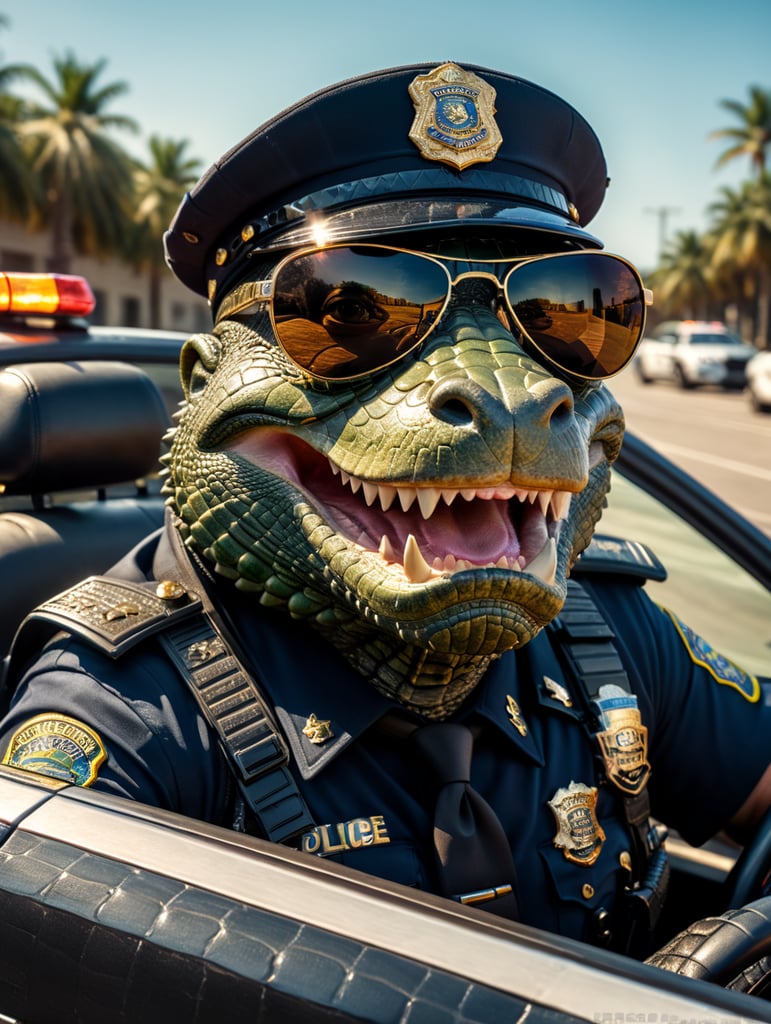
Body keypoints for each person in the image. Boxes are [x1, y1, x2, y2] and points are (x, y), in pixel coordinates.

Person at [1, 61, 768, 956]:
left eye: (566, 313)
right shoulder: (125, 712)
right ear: (208, 382)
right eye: (351, 309)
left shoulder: (609, 628)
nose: (516, 394)